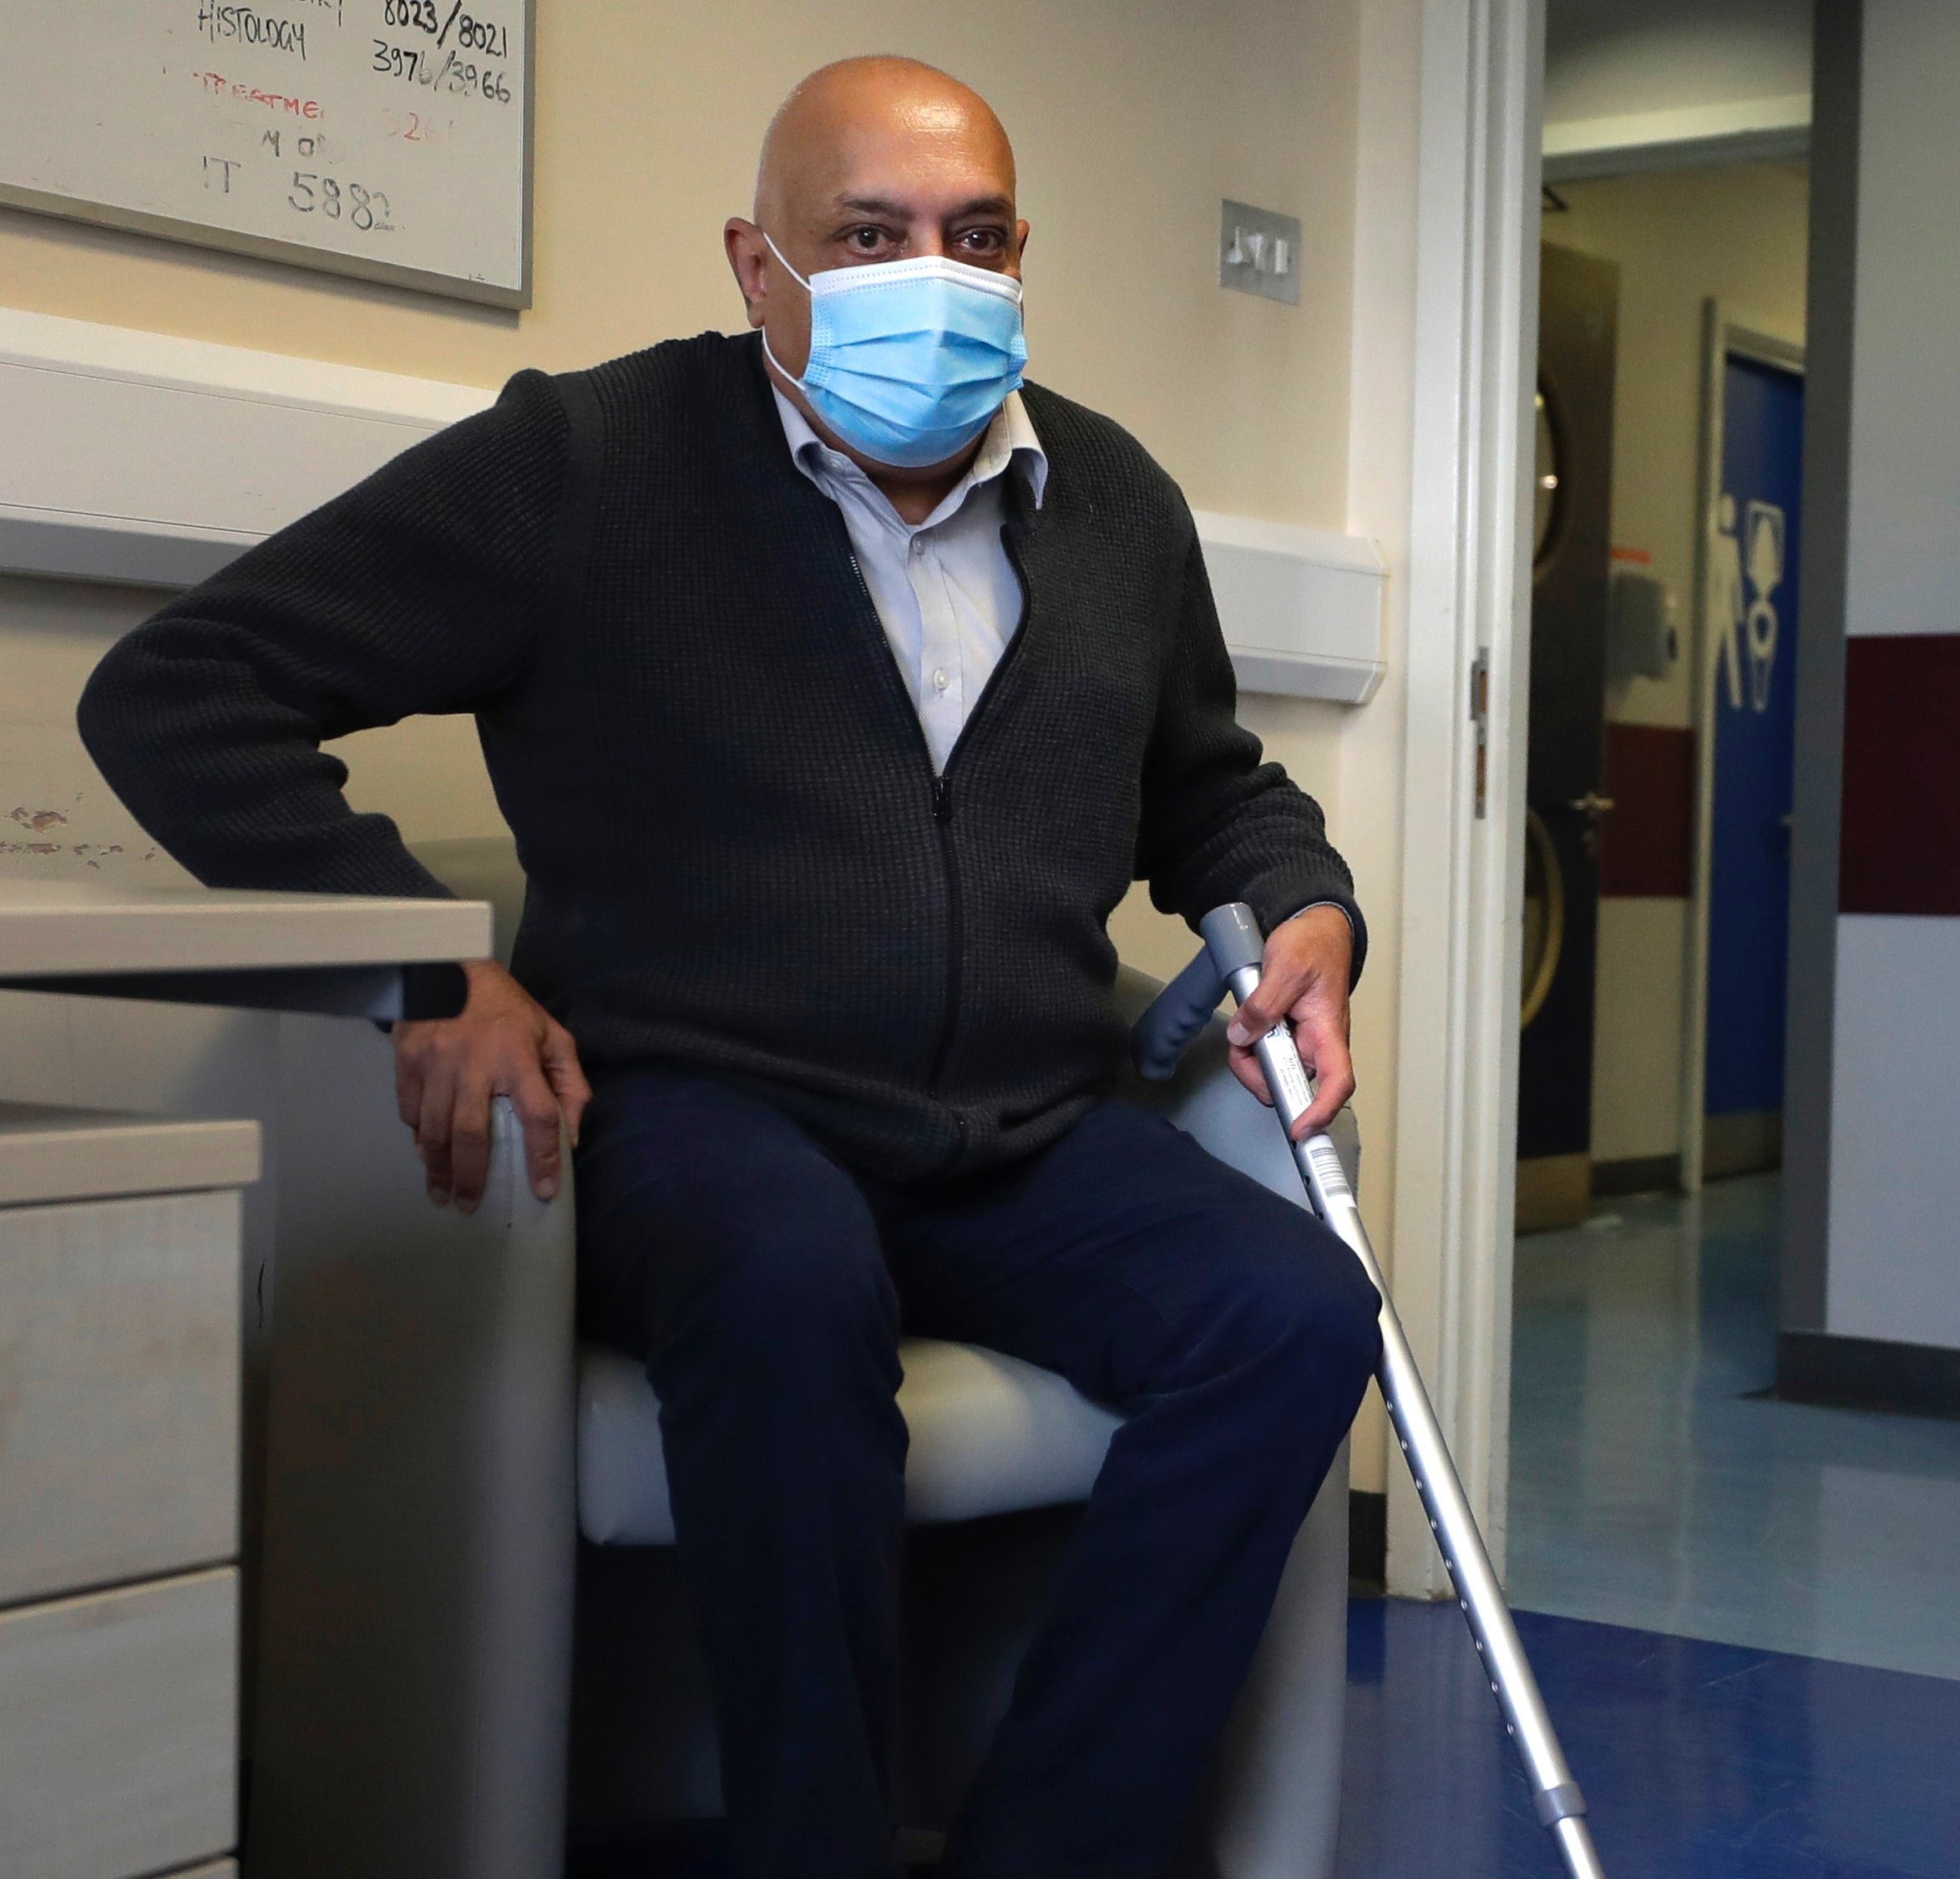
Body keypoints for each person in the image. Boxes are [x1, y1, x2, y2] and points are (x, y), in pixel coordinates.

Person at [79, 55, 1381, 1879]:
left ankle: (1052, 1847)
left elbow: (1210, 795)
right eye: (866, 234)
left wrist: (1307, 908)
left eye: (975, 236)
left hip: (1013, 1127)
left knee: (1298, 1314)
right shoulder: (588, 463)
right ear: (755, 265)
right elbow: (178, 691)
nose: (929, 276)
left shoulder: (1116, 507)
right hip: (692, 1111)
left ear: (1022, 260)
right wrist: (435, 965)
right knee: (782, 1275)